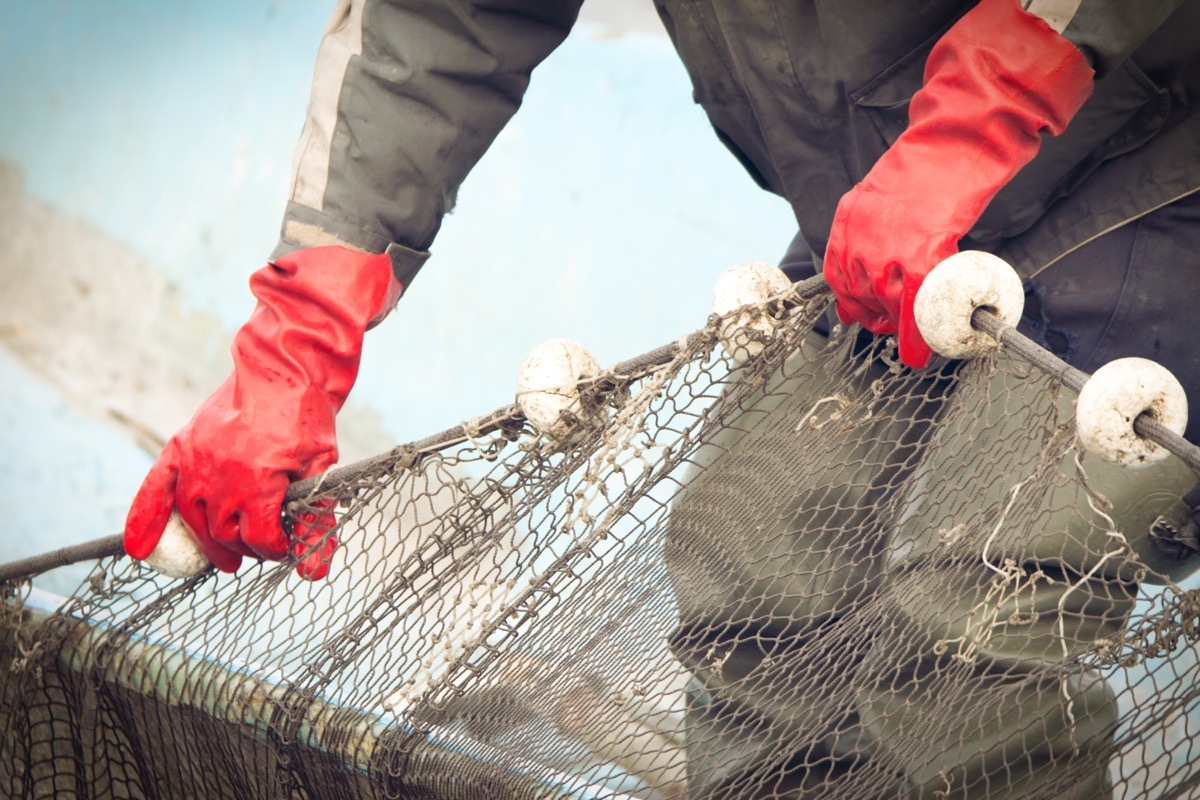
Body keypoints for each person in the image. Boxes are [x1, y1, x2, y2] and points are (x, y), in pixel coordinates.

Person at [121, 0, 1200, 795]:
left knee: (975, 600)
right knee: (757, 566)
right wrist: (293, 342)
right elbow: (436, 23)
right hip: (897, 218)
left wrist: (986, 110)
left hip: (1157, 177)